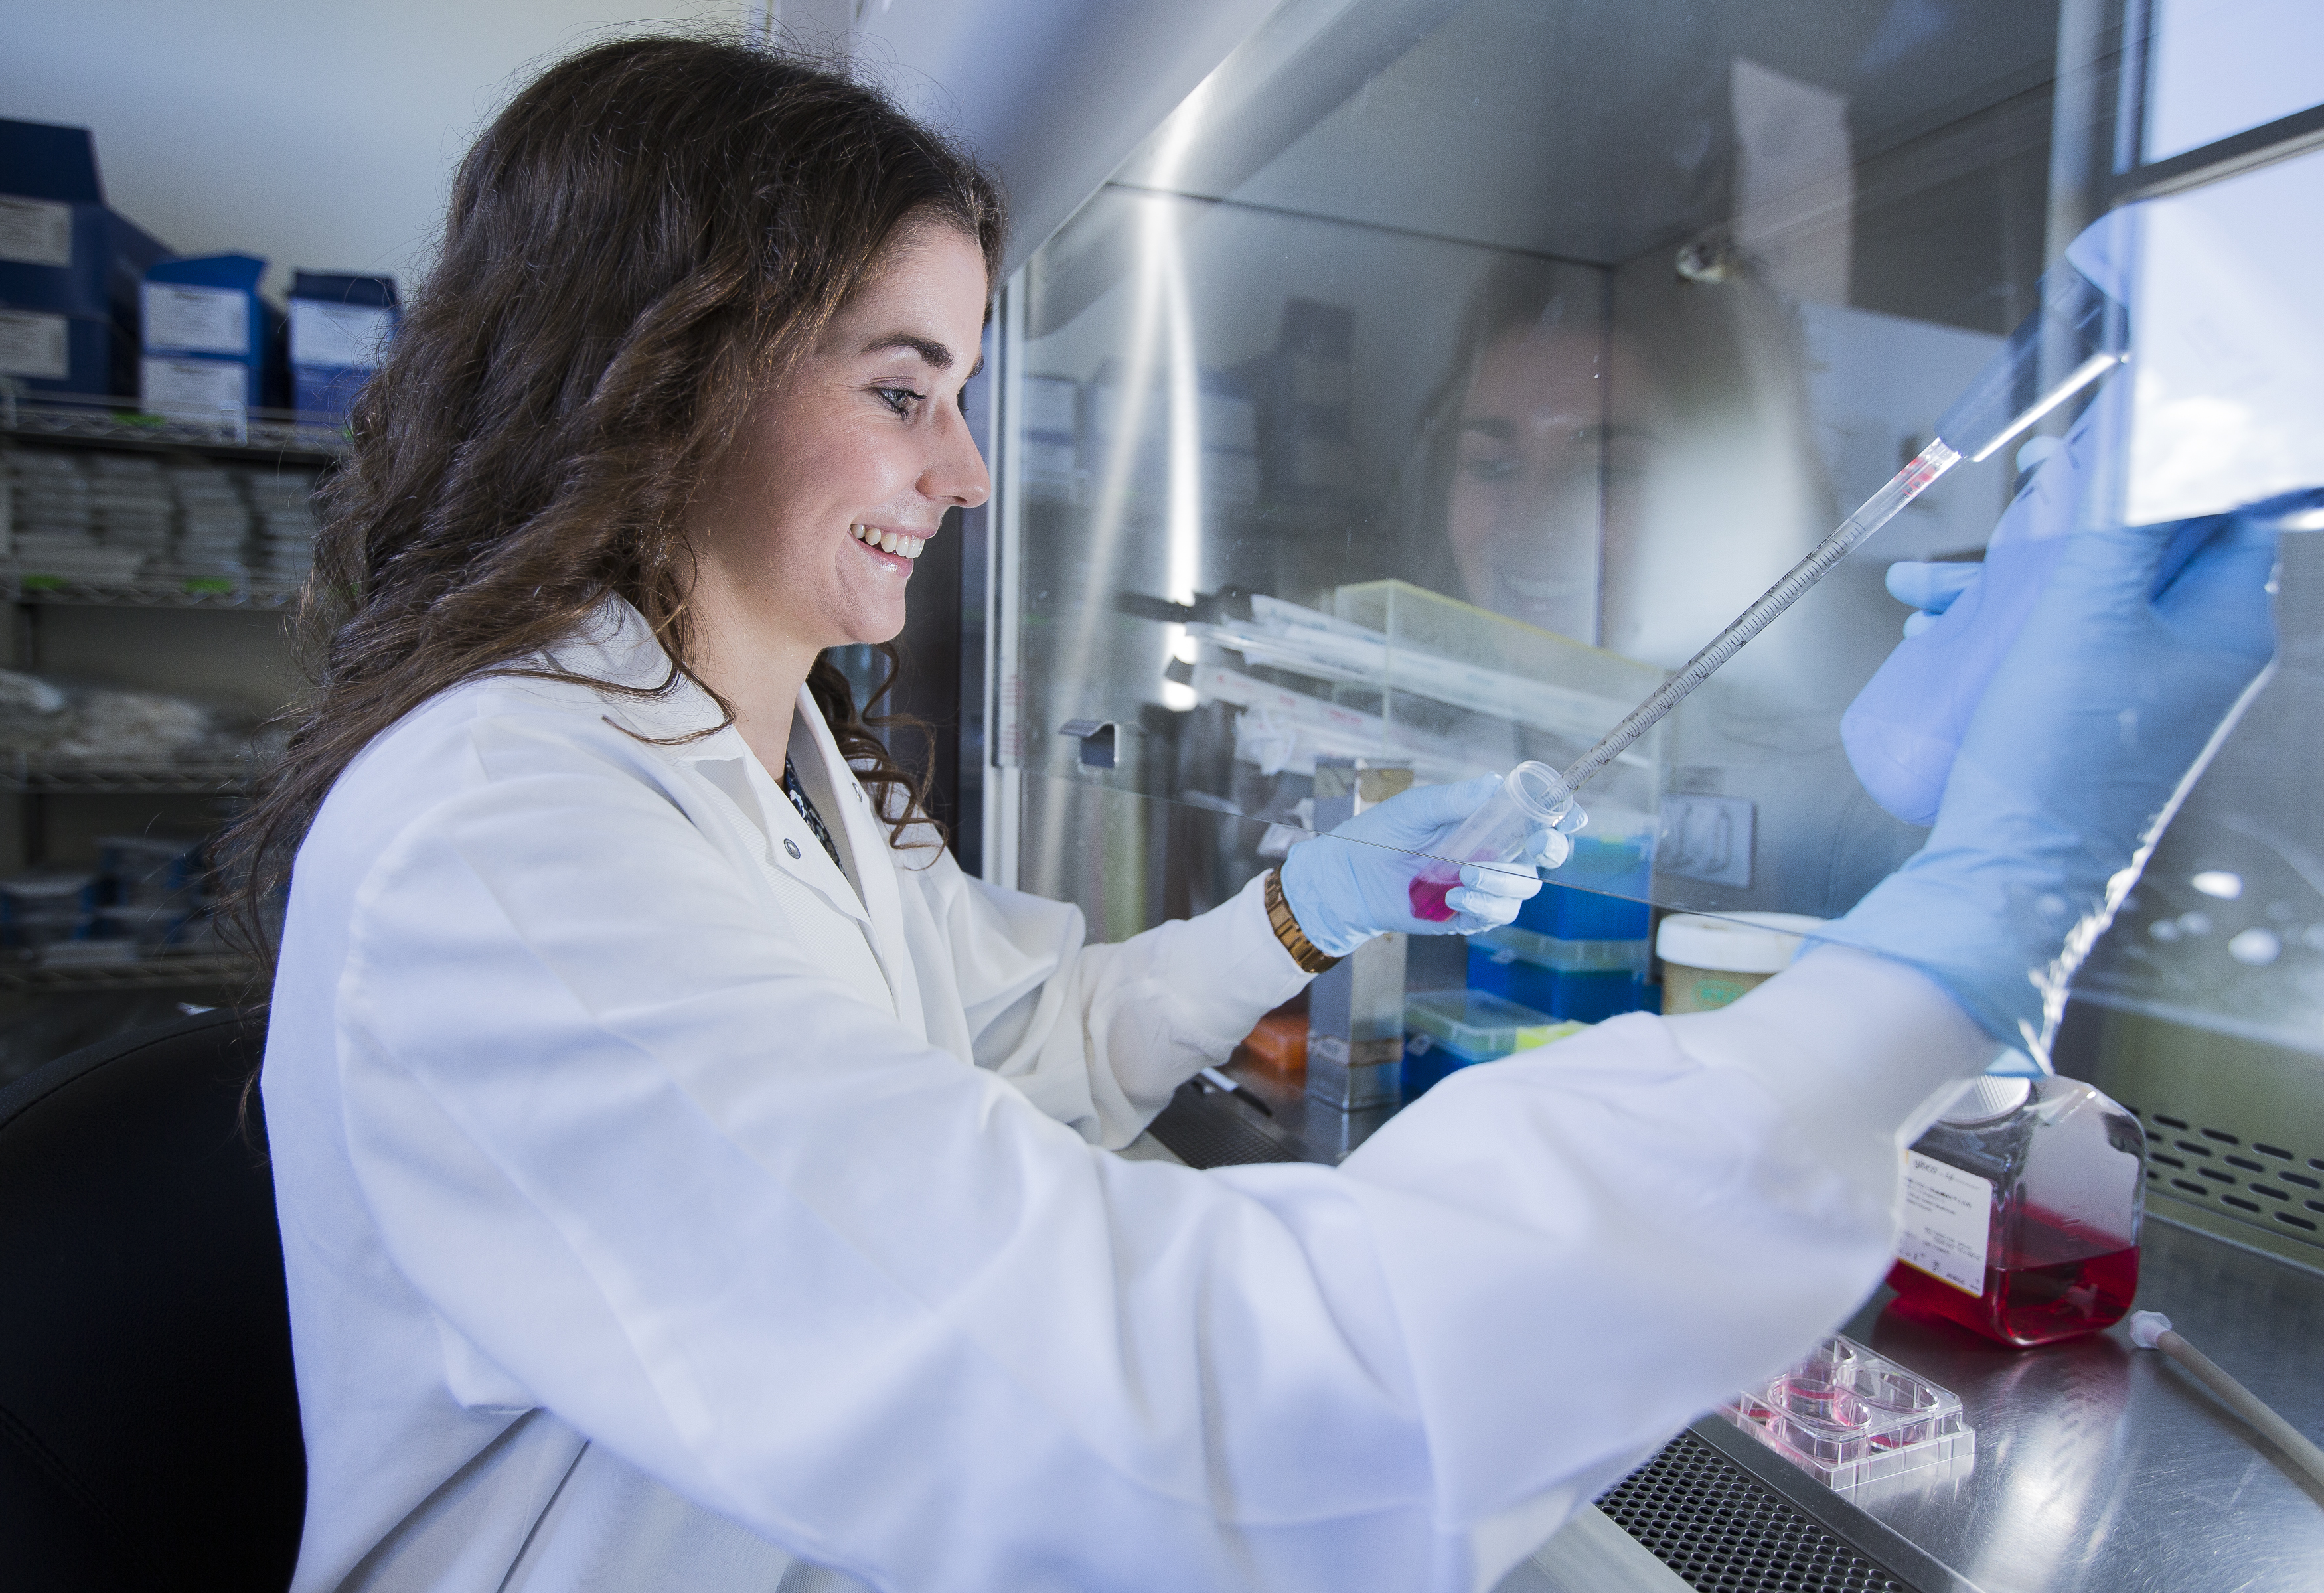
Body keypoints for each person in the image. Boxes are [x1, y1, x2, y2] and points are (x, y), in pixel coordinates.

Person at [242, 36, 2273, 1593]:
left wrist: (1298, 913)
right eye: (900, 383)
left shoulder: (755, 753)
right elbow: (1209, 1398)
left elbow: (999, 1066)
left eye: (958, 386)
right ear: (655, 371)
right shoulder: (509, 841)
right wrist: (1982, 928)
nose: (957, 470)